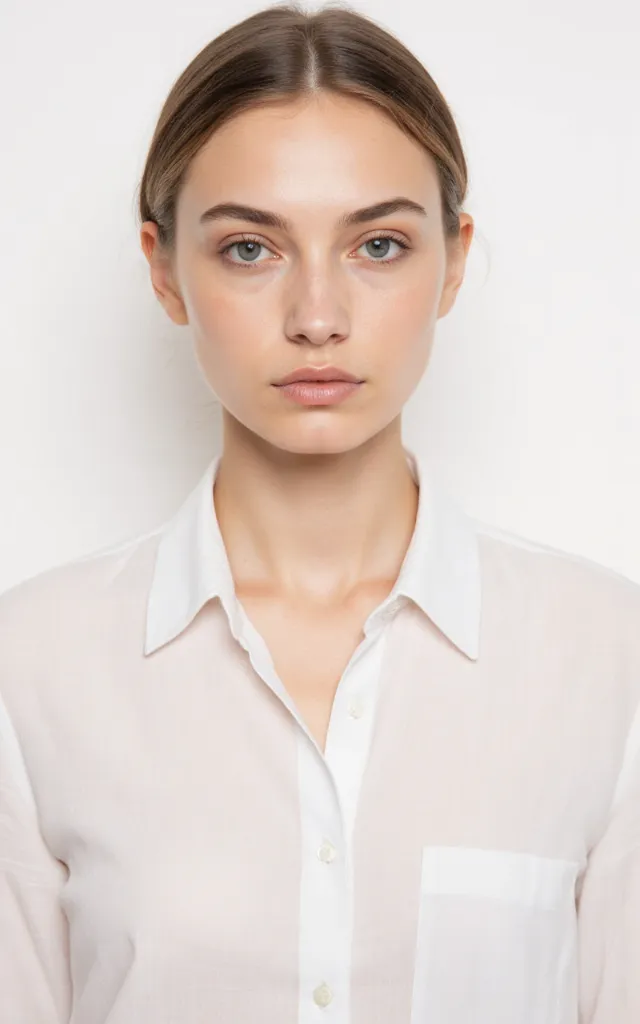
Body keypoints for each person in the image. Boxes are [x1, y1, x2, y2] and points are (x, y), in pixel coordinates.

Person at [1, 3, 639, 1022]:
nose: (316, 316)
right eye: (250, 249)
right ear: (164, 269)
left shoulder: (608, 659)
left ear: (455, 257)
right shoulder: (31, 668)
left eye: (377, 244)